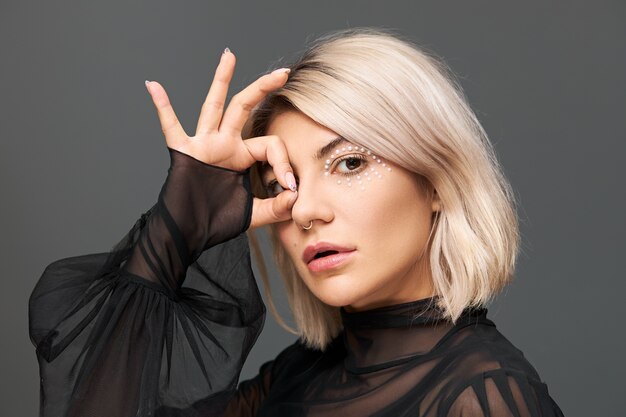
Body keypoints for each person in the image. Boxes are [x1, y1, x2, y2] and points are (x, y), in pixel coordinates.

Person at [29, 28, 564, 416]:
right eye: (282, 184)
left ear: (439, 184)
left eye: (349, 163)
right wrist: (173, 233)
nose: (305, 210)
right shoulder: (295, 378)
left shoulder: (485, 398)